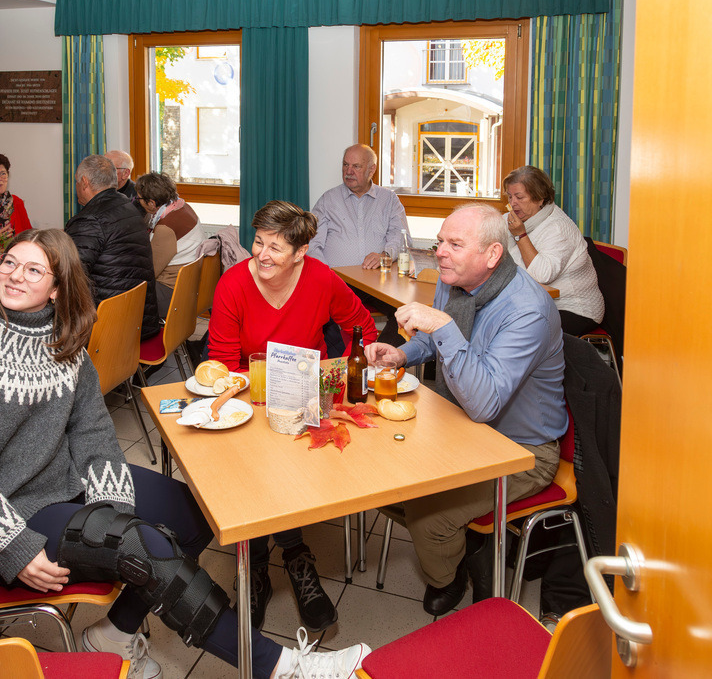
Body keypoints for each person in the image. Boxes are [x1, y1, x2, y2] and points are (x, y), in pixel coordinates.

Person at [0, 228, 372, 679]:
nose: (15, 276)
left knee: (196, 518)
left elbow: (93, 430)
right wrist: (13, 546)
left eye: (33, 269)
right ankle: (283, 667)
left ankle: (114, 634)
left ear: (58, 287)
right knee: (143, 544)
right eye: (9, 263)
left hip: (58, 488)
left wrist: (116, 514)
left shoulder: (62, 337)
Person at [364, 204, 567, 617]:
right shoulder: (456, 279)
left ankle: (449, 575)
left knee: (428, 518)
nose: (440, 252)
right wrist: (400, 354)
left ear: (492, 255)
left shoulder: (527, 309)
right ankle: (466, 542)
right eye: (440, 241)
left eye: (455, 244)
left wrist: (441, 325)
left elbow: (483, 402)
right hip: (457, 425)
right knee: (374, 478)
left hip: (521, 449)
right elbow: (439, 342)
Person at [207, 200, 377, 633]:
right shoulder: (232, 284)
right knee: (256, 469)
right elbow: (224, 362)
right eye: (259, 242)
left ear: (301, 252)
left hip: (310, 402)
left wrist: (341, 376)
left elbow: (363, 328)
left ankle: (277, 559)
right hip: (253, 400)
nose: (261, 254)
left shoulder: (321, 278)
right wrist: (257, 392)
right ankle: (274, 561)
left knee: (287, 469)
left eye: (276, 248)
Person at [308, 144, 412, 347]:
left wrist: (386, 254)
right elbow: (312, 243)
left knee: (406, 313)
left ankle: (378, 356)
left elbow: (401, 236)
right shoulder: (328, 200)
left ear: (371, 169)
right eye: (345, 165)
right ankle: (342, 363)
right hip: (338, 281)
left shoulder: (389, 199)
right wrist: (326, 276)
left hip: (378, 283)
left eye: (356, 166)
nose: (349, 171)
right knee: (319, 314)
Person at [65, 154, 162, 340]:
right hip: (139, 318)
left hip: (109, 327)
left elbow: (71, 275)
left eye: (77, 181)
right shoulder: (129, 207)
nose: (76, 186)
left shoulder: (90, 220)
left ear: (84, 182)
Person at [503, 165, 605, 335]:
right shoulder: (520, 217)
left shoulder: (558, 228)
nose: (513, 203)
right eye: (510, 196)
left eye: (519, 197)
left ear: (540, 198)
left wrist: (520, 235)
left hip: (574, 309)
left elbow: (541, 275)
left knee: (515, 330)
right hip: (538, 302)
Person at [136, 171, 205, 314]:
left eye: (140, 198)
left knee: (125, 293)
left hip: (171, 293)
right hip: (188, 286)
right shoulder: (182, 207)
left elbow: (151, 271)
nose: (138, 201)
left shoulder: (166, 227)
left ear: (152, 203)